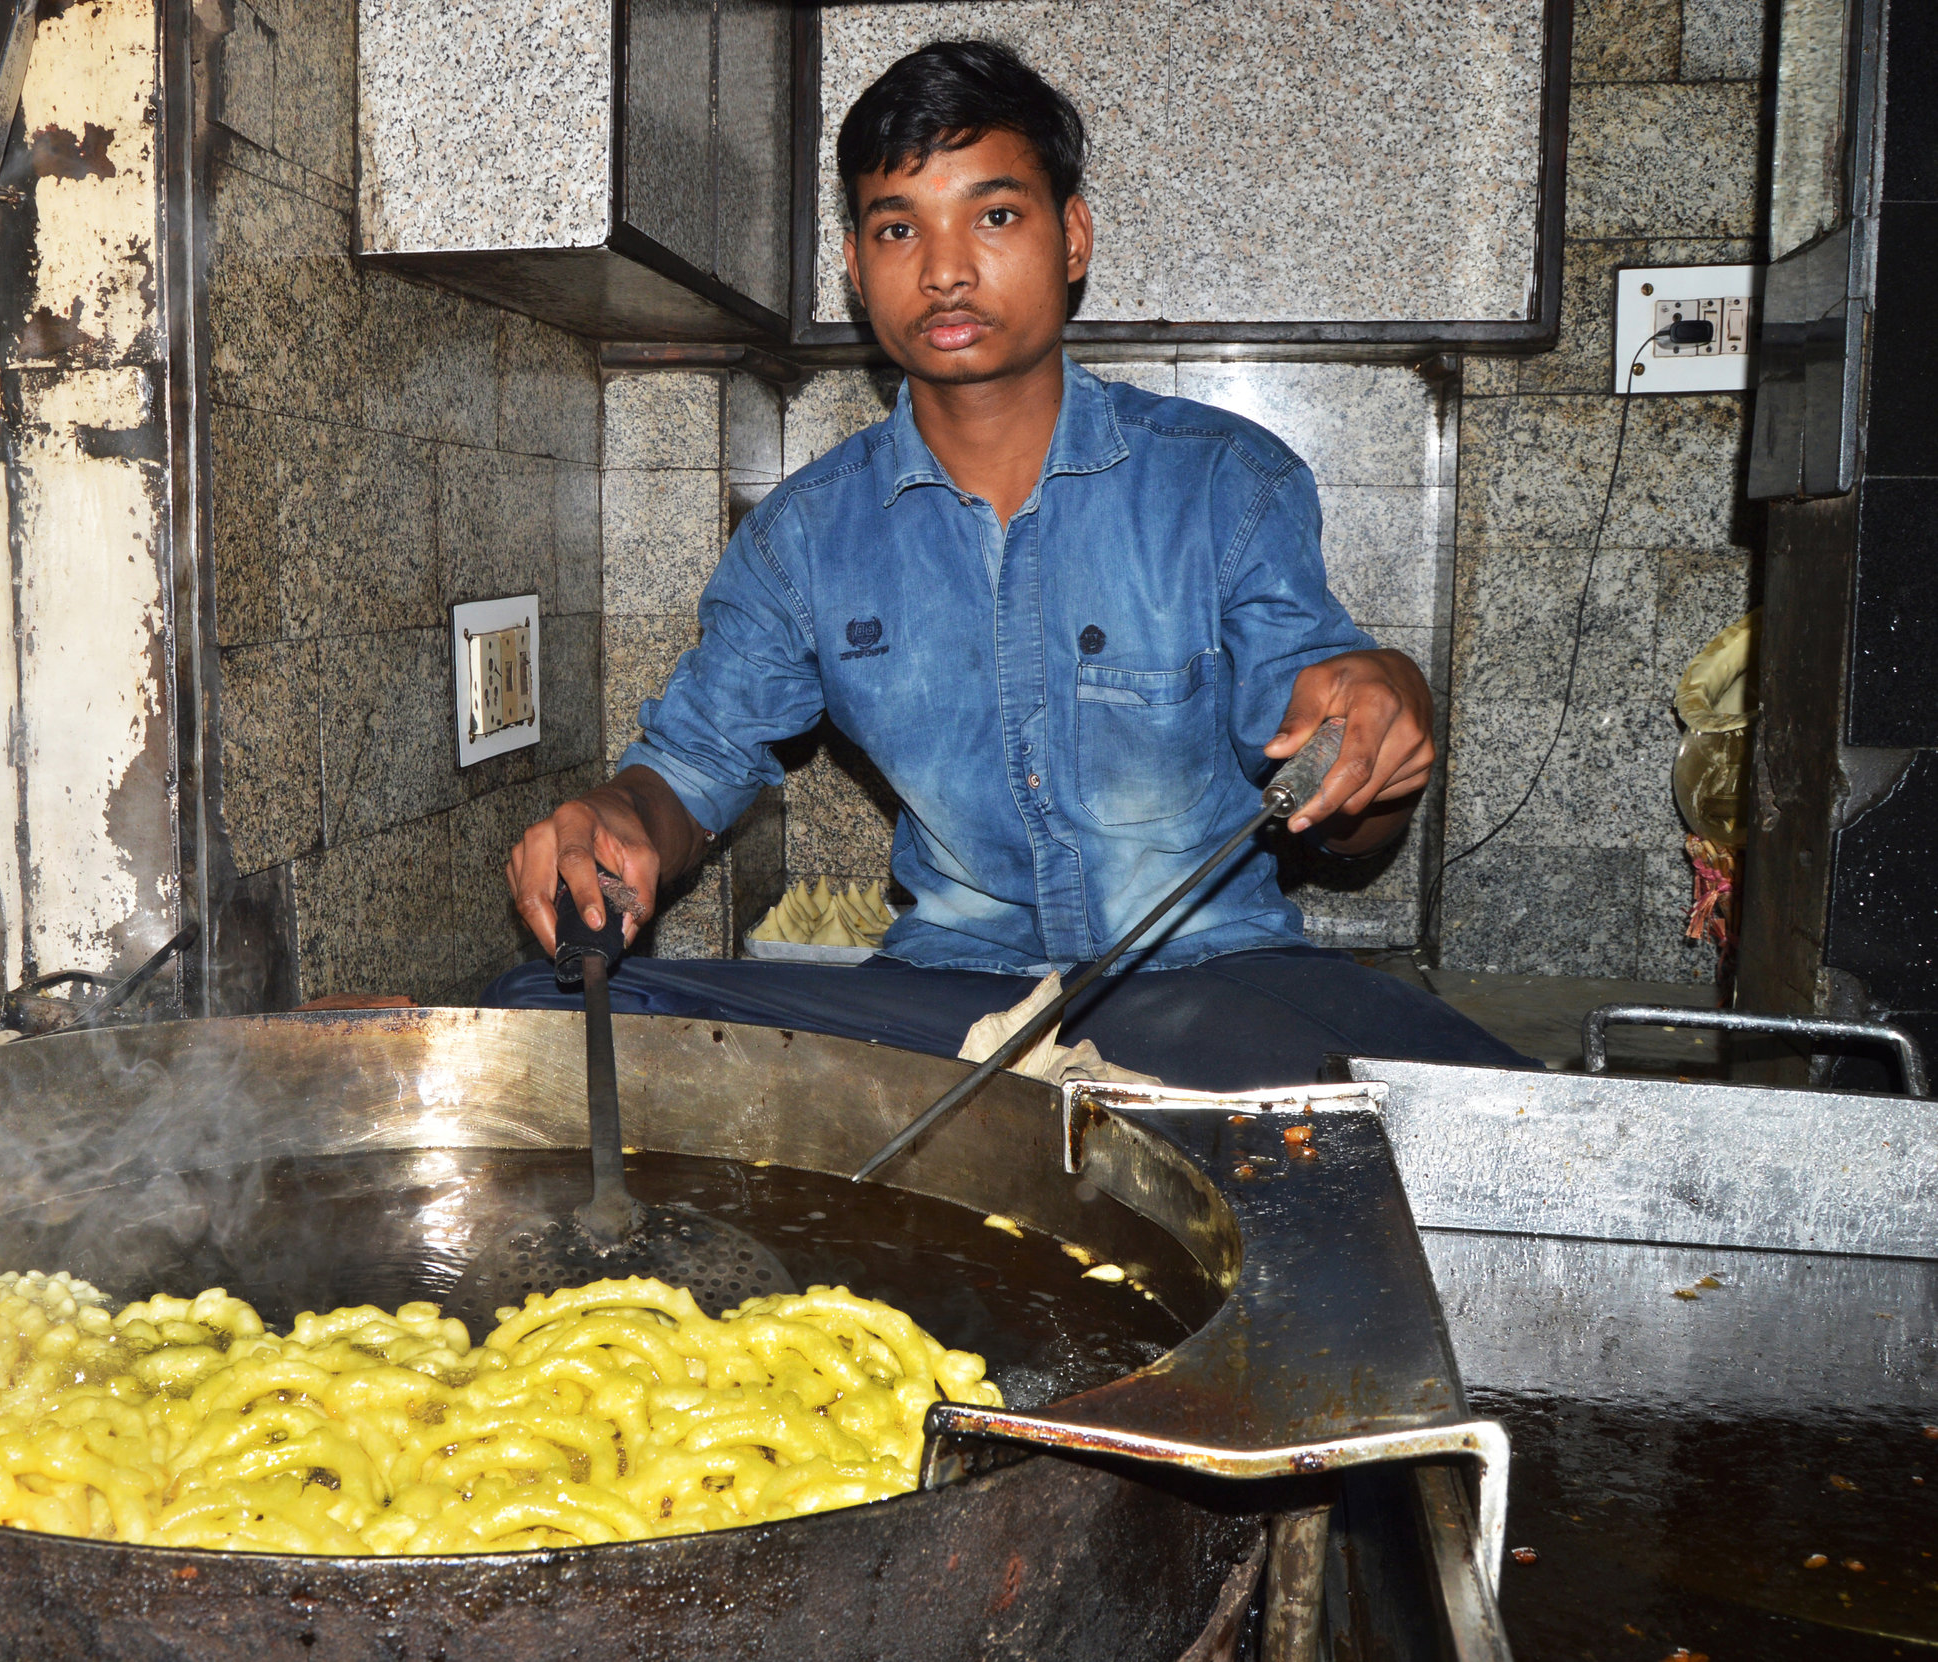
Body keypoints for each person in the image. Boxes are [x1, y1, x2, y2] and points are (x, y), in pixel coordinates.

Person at [482, 39, 1532, 1090]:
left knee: (1487, 1121)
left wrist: (1383, 720)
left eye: (993, 216)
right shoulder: (803, 536)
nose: (944, 269)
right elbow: (692, 771)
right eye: (899, 227)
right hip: (949, 1000)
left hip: (1209, 982)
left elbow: (1348, 819)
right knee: (539, 1020)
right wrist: (620, 819)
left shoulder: (1224, 485)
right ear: (855, 266)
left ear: (1070, 236)